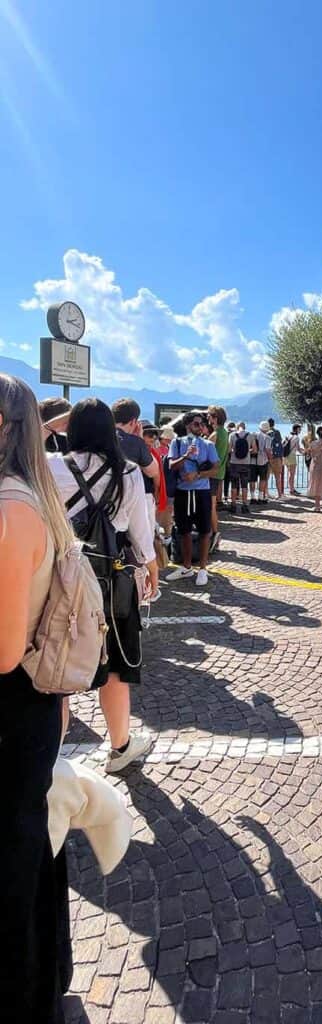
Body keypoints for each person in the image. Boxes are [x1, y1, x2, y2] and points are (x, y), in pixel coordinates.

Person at [0, 374, 75, 1022]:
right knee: (32, 848)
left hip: (9, 705)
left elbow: (1, 648)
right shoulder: (31, 497)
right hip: (29, 702)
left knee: (16, 860)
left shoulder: (11, 506)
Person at [48, 398, 158, 772]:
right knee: (114, 667)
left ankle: (50, 762)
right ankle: (120, 747)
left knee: (57, 673)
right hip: (112, 580)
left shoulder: (50, 467)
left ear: (71, 429)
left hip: (60, 578)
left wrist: (55, 421)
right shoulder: (127, 473)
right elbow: (141, 536)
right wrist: (151, 571)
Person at [166, 411, 219, 586]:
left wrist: (197, 475)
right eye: (196, 424)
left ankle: (203, 569)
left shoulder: (208, 445)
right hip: (182, 493)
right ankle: (187, 567)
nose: (200, 427)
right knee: (184, 531)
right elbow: (172, 465)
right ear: (188, 425)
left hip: (201, 492)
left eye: (202, 424)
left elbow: (216, 469)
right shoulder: (177, 442)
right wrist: (186, 456)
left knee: (204, 531)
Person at [112, 398, 160, 535]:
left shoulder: (96, 437)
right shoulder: (135, 443)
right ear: (134, 421)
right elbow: (152, 471)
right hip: (128, 503)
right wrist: (139, 438)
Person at [142, 423, 171, 547]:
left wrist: (157, 493)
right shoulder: (147, 451)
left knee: (147, 530)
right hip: (140, 495)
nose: (153, 437)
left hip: (148, 494)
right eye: (149, 434)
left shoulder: (151, 452)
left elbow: (157, 476)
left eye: (155, 435)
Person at [207, 405, 229, 551]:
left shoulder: (215, 435)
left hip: (211, 474)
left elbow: (207, 456)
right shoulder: (224, 433)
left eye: (209, 415)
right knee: (212, 505)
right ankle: (214, 534)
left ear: (215, 418)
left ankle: (213, 534)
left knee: (209, 507)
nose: (207, 417)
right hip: (219, 473)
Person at [228, 422, 253, 514]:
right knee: (244, 485)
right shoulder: (250, 435)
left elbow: (229, 449)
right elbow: (254, 449)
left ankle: (233, 505)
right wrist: (247, 451)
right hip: (246, 463)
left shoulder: (232, 435)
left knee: (234, 485)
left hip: (234, 463)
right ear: (245, 427)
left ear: (237, 427)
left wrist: (235, 450)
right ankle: (245, 506)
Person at [252, 421, 272, 503]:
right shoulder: (267, 438)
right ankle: (260, 497)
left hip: (252, 460)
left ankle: (253, 498)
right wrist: (270, 458)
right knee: (263, 479)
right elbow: (267, 450)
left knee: (252, 480)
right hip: (263, 461)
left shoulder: (253, 435)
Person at [266, 418, 284, 498]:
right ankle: (279, 494)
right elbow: (280, 444)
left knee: (266, 477)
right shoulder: (277, 432)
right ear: (274, 424)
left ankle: (265, 494)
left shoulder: (266, 433)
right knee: (277, 477)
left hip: (267, 457)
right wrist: (281, 457)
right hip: (276, 457)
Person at [283, 424, 303, 496]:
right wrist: (306, 452)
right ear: (297, 429)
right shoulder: (296, 437)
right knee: (292, 474)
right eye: (300, 429)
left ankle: (291, 489)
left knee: (289, 474)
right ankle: (292, 490)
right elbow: (298, 449)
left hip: (285, 456)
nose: (300, 430)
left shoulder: (288, 436)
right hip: (291, 456)